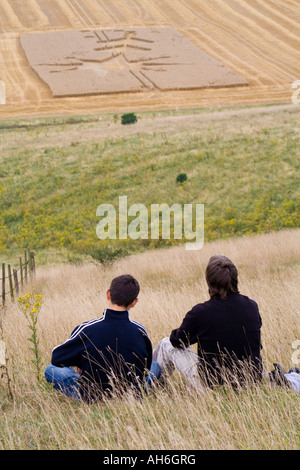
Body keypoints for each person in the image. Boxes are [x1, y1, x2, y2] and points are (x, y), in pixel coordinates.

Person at [153, 255, 263, 390]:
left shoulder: (201, 312)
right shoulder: (252, 305)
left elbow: (177, 341)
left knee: (166, 344)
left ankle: (152, 384)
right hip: (252, 379)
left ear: (210, 282)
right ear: (235, 279)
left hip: (213, 384)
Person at [45, 274, 160, 401]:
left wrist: (80, 363)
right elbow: (145, 369)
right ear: (134, 302)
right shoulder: (140, 331)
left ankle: (89, 396)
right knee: (155, 366)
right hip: (130, 393)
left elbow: (56, 358)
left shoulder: (87, 329)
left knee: (51, 369)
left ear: (108, 294)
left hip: (93, 395)